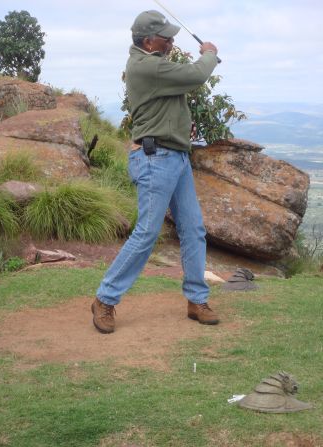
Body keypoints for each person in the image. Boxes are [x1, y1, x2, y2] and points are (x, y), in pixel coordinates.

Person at [91, 10, 220, 334]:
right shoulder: (146, 66)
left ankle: (196, 299)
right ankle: (105, 299)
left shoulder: (154, 62)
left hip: (175, 158)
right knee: (147, 233)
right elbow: (195, 75)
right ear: (148, 41)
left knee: (193, 229)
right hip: (155, 158)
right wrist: (209, 52)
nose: (172, 40)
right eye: (166, 37)